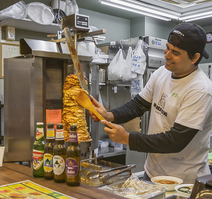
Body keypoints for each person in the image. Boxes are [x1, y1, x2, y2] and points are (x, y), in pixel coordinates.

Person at [90, 23, 212, 184]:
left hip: (183, 180)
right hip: (152, 173)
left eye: (175, 52)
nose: (167, 55)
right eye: (167, 48)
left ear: (195, 58)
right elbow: (138, 105)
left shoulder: (200, 90)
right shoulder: (162, 72)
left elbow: (175, 141)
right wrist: (110, 115)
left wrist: (127, 138)